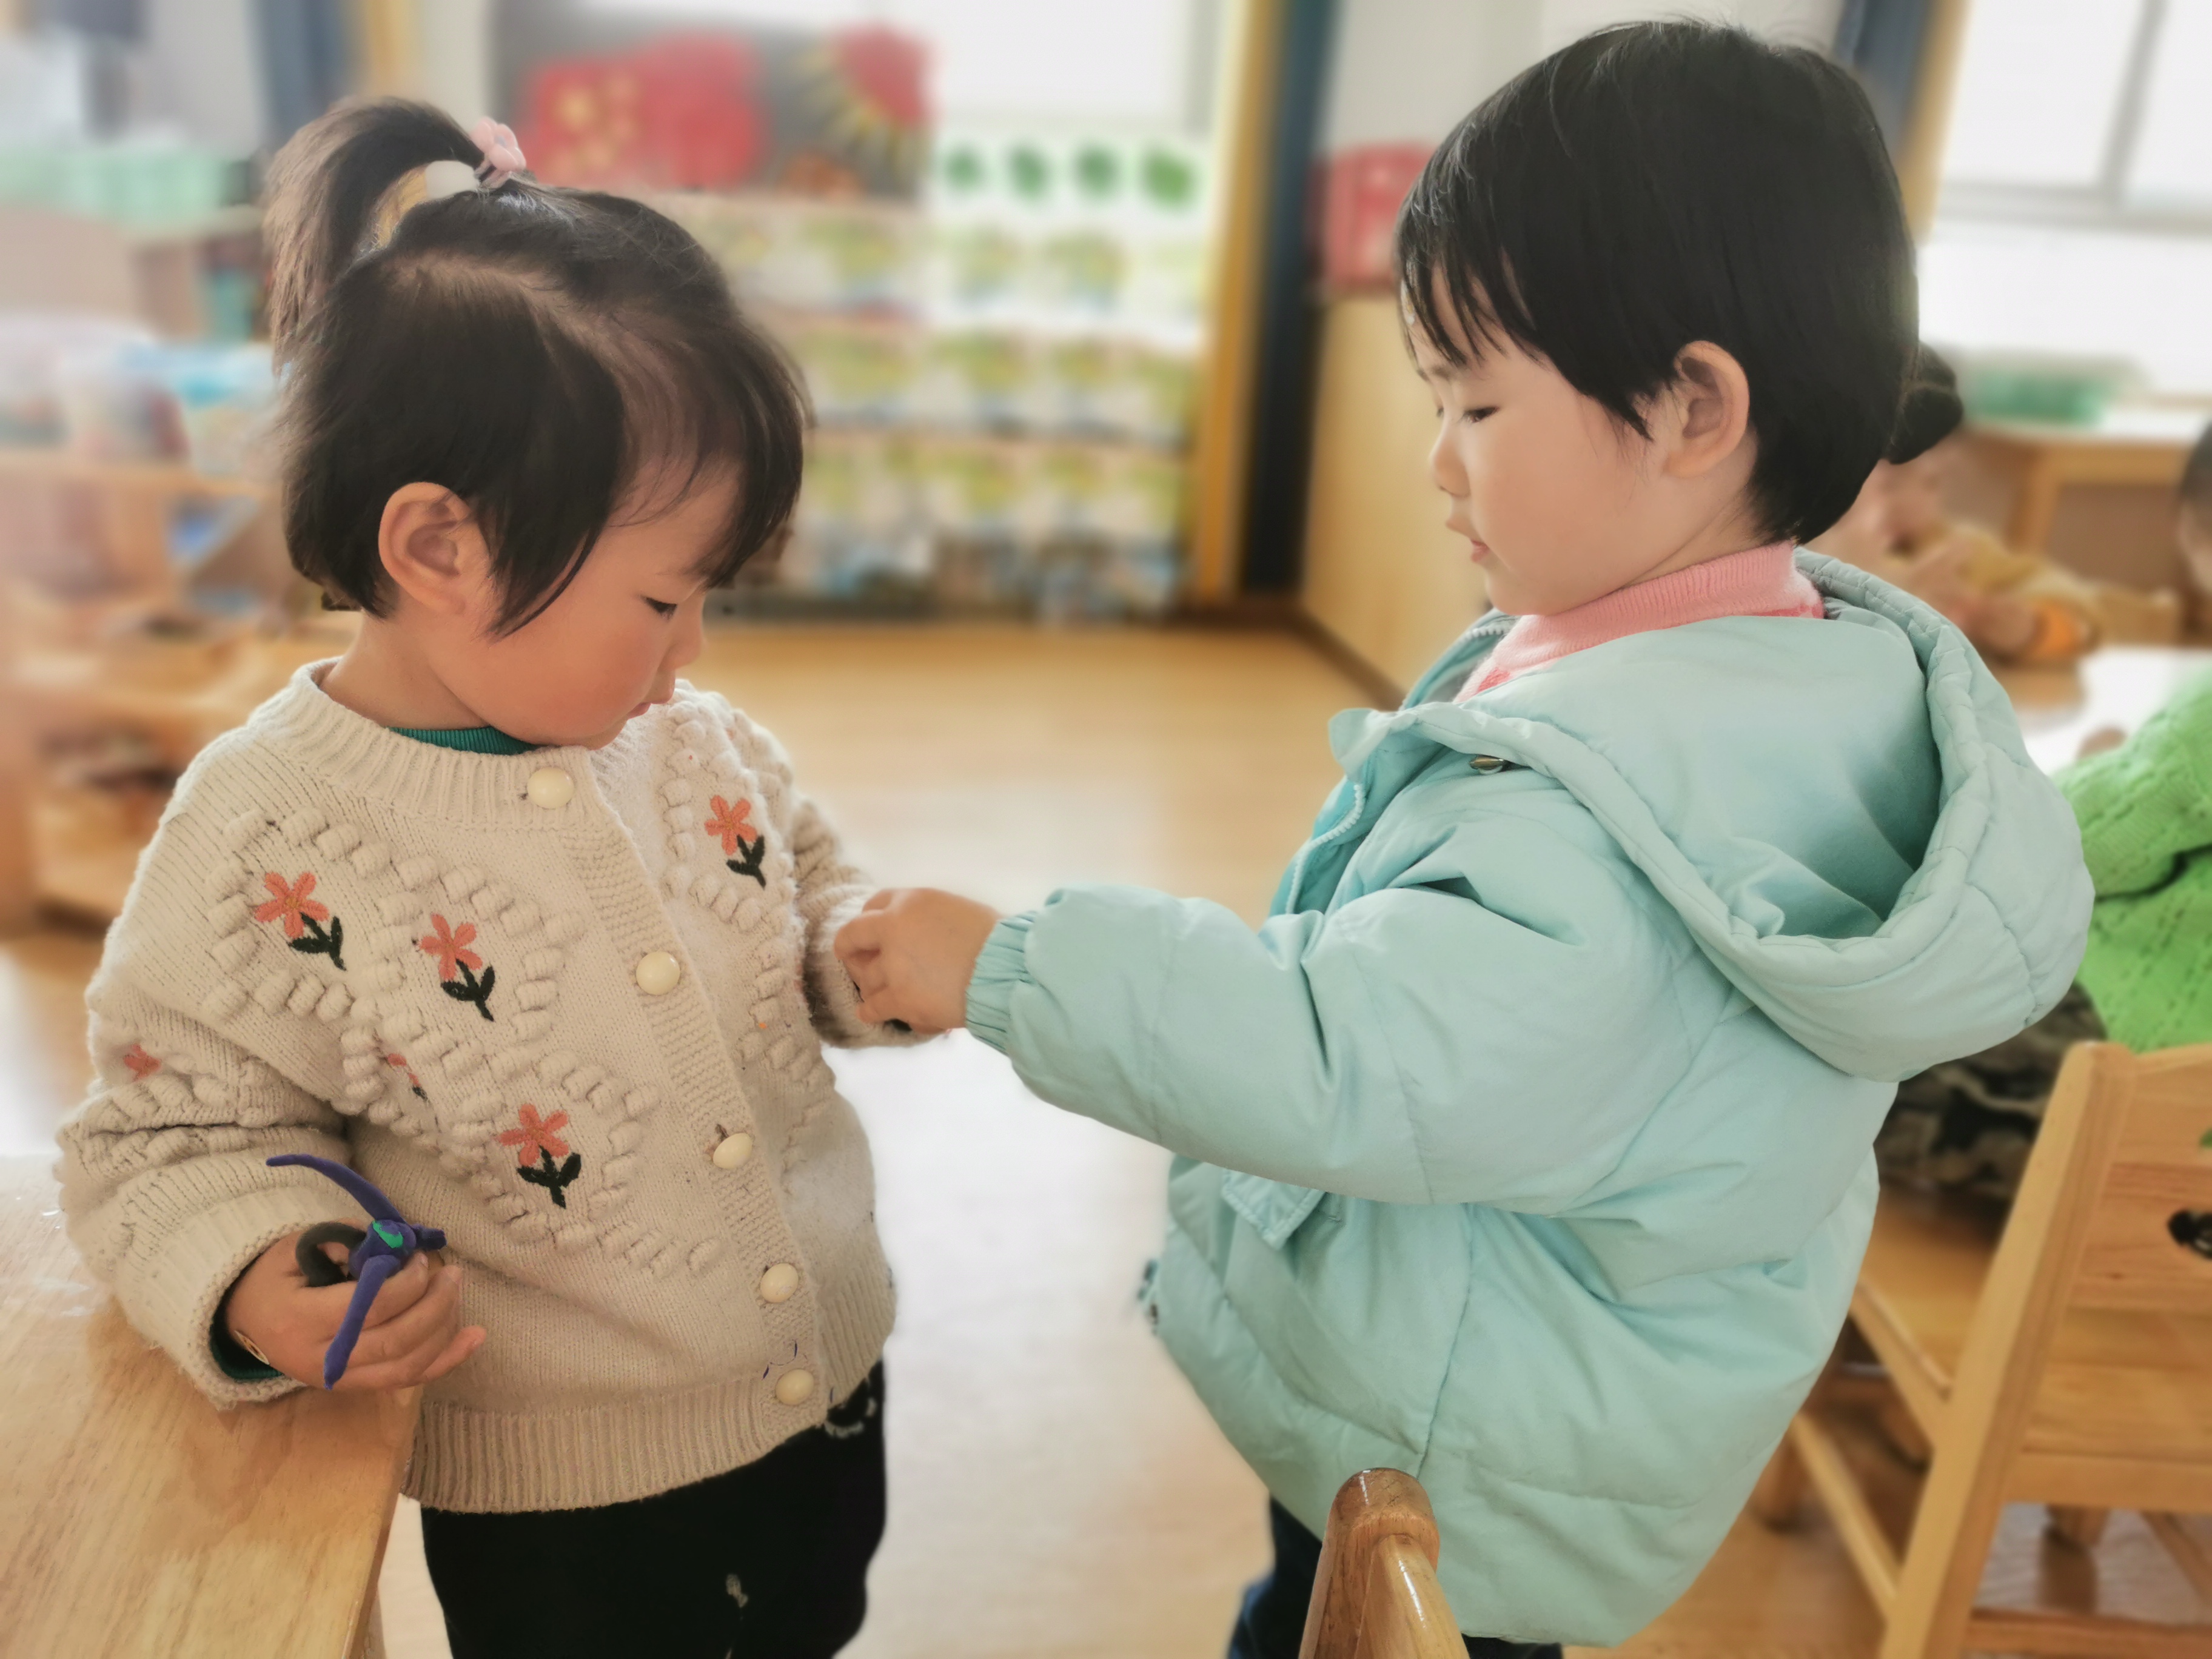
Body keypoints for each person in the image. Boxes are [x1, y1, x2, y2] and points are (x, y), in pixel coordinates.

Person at [835, 24, 2090, 1655]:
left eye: (1477, 401)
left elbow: (1347, 1048)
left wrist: (1012, 965)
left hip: (1467, 1456)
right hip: (1522, 1372)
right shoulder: (1789, 669)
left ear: (1692, 408)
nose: (1438, 460)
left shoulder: (1608, 825)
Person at [56, 102, 911, 1659]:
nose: (692, 650)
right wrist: (255, 1276)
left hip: (828, 1395)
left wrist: (866, 946)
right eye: (663, 596)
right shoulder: (269, 835)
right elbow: (163, 1138)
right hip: (572, 1509)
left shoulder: (696, 741)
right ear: (441, 546)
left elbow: (802, 897)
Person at [1876, 421, 2212, 1199]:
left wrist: (2099, 771)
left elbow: (2078, 844)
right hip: (2170, 1090)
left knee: (1853, 1061)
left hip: (2136, 1071)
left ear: (2195, 530)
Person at [1820, 352, 2103, 666]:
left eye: (1933, 482)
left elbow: (2076, 606)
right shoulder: (1808, 554)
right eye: (1891, 484)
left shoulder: (1961, 551)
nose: (1914, 503)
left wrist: (2034, 629)